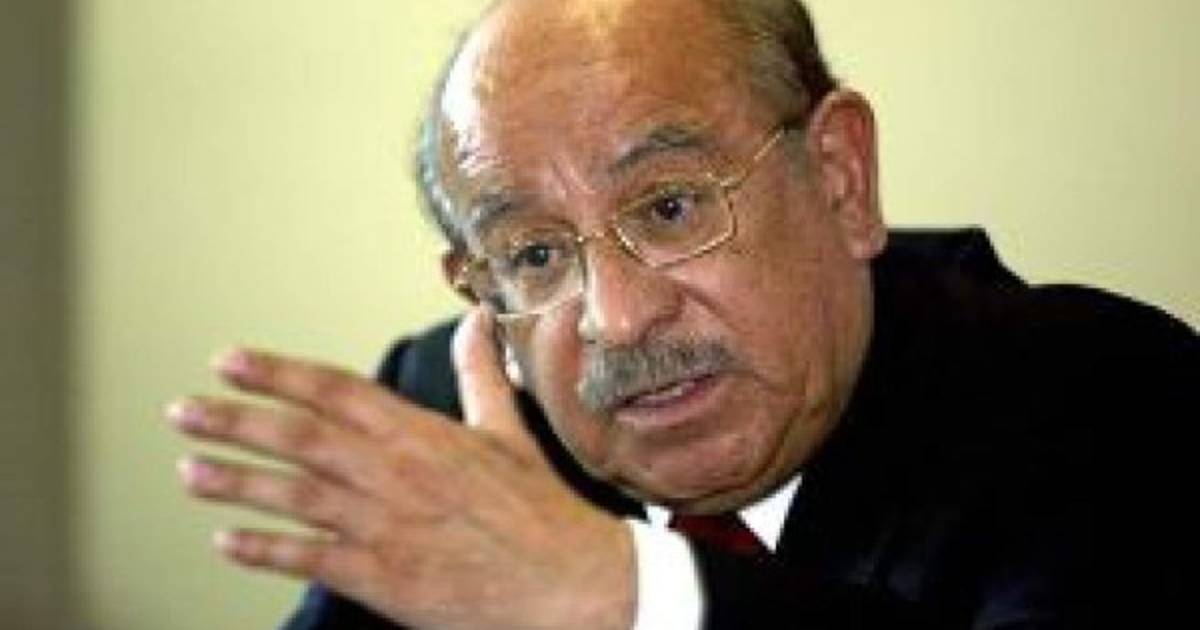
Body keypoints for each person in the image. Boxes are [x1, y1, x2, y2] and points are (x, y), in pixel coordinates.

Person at [169, 0, 1196, 628]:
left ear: (840, 178)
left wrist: (621, 596)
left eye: (669, 207)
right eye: (535, 254)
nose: (618, 320)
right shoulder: (450, 422)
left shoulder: (1099, 396)